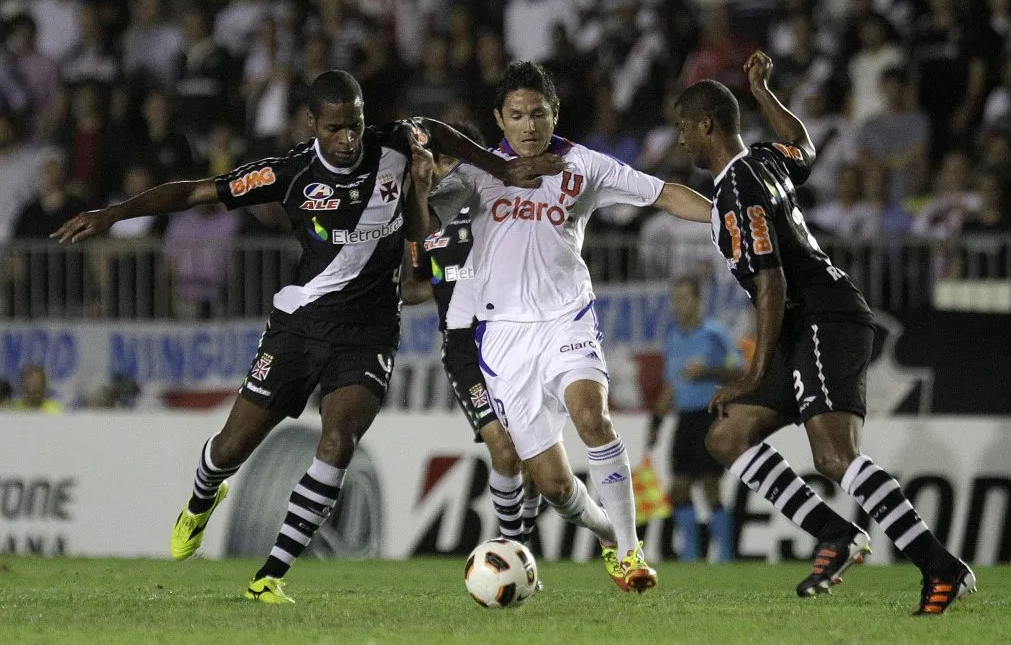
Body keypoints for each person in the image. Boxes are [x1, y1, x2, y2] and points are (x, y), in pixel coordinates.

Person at [51, 70, 562, 604]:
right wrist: (113, 213)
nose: (348, 139)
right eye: (336, 128)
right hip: (299, 328)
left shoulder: (396, 142)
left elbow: (441, 132)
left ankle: (269, 576)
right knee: (230, 447)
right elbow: (194, 191)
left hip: (368, 334)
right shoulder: (288, 172)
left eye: (356, 125)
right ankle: (203, 498)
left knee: (339, 442)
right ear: (311, 124)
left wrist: (501, 166)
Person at [674, 51, 975, 614]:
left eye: (683, 128)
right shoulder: (761, 160)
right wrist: (763, 91)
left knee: (836, 458)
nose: (680, 140)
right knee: (726, 437)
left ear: (706, 126)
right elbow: (805, 148)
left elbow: (771, 283)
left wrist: (753, 372)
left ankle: (942, 568)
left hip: (822, 316)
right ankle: (836, 535)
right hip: (805, 323)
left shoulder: (738, 187)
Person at [423, 61, 713, 594]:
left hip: (566, 316)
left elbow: (662, 192)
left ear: (554, 113)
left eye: (538, 113)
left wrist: (726, 217)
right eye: (516, 115)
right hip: (503, 337)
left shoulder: (584, 165)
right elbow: (420, 218)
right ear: (499, 120)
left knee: (591, 415)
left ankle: (630, 552)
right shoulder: (477, 173)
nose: (529, 125)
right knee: (554, 485)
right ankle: (606, 532)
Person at [402, 121, 542, 548]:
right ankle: (513, 548)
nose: (437, 170)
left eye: (443, 159)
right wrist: (445, 284)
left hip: (510, 334)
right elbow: (412, 288)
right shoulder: (425, 215)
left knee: (533, 456)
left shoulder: (486, 194)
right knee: (503, 451)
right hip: (461, 344)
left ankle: (522, 542)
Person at [647, 277, 744, 563]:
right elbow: (671, 387)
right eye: (675, 299)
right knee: (678, 489)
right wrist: (656, 423)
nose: (678, 305)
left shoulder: (714, 334)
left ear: (698, 301)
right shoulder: (675, 338)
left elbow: (741, 371)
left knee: (710, 486)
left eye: (684, 298)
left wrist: (709, 372)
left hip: (709, 415)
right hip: (684, 419)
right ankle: (691, 555)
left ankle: (725, 555)